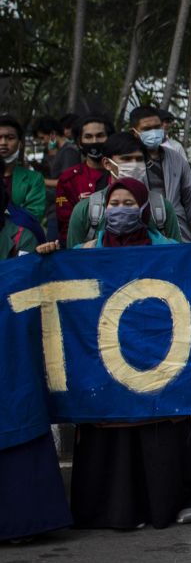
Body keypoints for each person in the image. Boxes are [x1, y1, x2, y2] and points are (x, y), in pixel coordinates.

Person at [38, 178, 191, 529]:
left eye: (129, 202)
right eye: (114, 203)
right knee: (111, 425)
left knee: (162, 425)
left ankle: (177, 502)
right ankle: (115, 509)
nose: (121, 210)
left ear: (144, 209)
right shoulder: (85, 253)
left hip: (159, 360)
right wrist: (47, 258)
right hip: (107, 365)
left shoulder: (169, 249)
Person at [0, 177, 72, 543]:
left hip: (12, 346)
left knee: (19, 414)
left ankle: (23, 522)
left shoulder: (22, 234)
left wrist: (43, 260)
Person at [62, 133, 183, 248]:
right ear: (107, 163)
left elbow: (177, 256)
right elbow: (73, 261)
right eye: (126, 159)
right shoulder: (85, 209)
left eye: (139, 159)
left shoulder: (162, 207)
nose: (135, 165)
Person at [127, 106, 191, 241]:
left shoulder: (176, 158)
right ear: (134, 133)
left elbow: (190, 197)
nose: (154, 132)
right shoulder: (127, 161)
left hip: (178, 231)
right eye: (147, 129)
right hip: (142, 235)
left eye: (157, 127)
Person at [54, 115, 114, 244]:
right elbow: (66, 226)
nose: (94, 141)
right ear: (79, 142)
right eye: (88, 137)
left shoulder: (123, 172)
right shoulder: (69, 179)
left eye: (100, 135)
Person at [0, 115, 46, 222]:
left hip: (18, 237)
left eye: (10, 138)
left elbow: (33, 215)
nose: (3, 143)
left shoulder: (34, 179)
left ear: (20, 143)